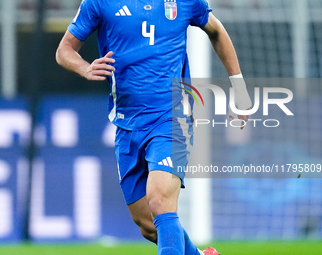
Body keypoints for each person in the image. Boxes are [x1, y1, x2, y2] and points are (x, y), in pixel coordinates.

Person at [56, 0, 252, 254]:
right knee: (148, 225)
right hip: (127, 123)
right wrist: (85, 67)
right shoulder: (99, 2)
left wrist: (239, 89)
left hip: (171, 117)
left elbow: (216, 30)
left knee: (160, 202)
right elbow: (64, 50)